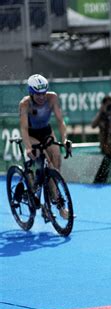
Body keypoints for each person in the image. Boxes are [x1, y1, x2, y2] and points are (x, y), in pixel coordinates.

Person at [19, 74, 70, 219]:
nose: (41, 97)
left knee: (56, 163)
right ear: (30, 92)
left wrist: (65, 139)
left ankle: (47, 200)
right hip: (32, 135)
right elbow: (23, 128)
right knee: (47, 164)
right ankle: (60, 207)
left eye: (43, 93)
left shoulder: (52, 97)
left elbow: (60, 121)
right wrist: (28, 147)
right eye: (37, 94)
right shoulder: (25, 104)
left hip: (46, 132)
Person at [91, 95, 111, 183]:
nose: (109, 107)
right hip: (104, 149)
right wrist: (101, 112)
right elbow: (93, 125)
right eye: (106, 105)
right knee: (101, 177)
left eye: (110, 105)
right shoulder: (102, 116)